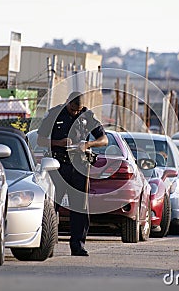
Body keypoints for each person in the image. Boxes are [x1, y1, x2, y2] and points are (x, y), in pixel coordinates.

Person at [36, 92, 108, 256]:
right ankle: (48, 244)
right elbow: (40, 140)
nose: (75, 113)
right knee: (52, 206)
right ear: (67, 102)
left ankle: (78, 245)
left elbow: (104, 139)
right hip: (58, 165)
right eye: (73, 109)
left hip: (80, 166)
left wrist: (88, 144)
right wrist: (58, 143)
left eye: (78, 110)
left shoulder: (87, 115)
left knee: (80, 208)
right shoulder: (54, 114)